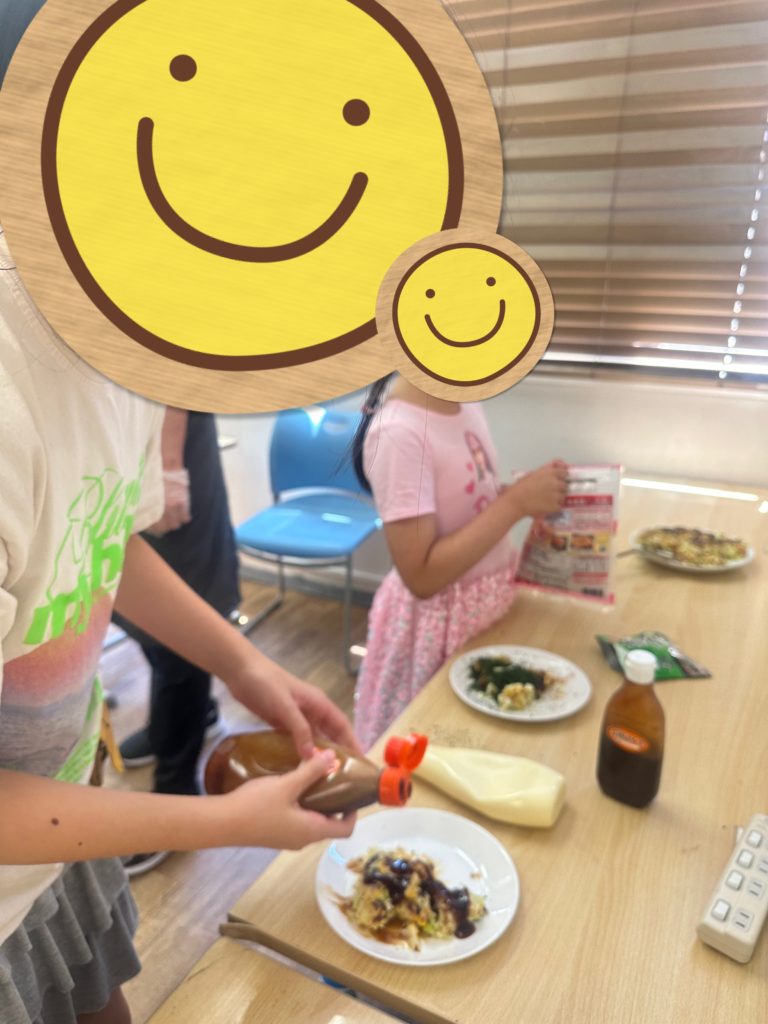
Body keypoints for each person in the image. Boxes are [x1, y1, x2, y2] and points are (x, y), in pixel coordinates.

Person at [0, 12, 357, 1023]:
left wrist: (245, 664)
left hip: (59, 836)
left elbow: (97, 538)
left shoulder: (119, 346)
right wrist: (218, 822)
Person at [351, 374, 568, 750]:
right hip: (438, 627)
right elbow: (421, 575)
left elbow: (468, 501)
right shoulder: (398, 432)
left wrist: (521, 498)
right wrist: (515, 503)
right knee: (435, 749)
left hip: (490, 609)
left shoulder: (463, 401)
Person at [113, 409, 241, 876]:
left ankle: (175, 796)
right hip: (127, 444)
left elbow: (164, 372)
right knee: (143, 614)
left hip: (167, 445)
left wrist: (169, 467)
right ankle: (190, 717)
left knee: (181, 632)